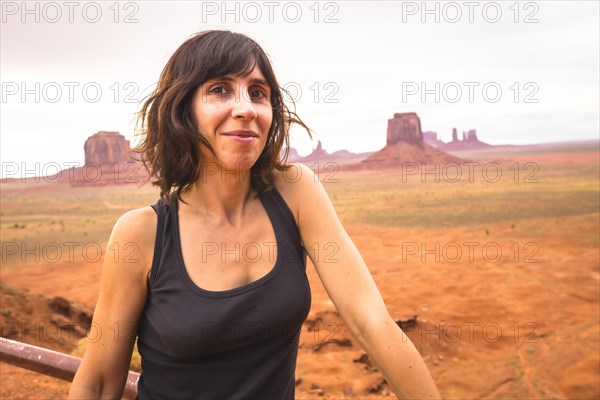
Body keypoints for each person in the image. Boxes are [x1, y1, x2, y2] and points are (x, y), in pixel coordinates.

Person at [68, 30, 441, 400]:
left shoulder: (295, 192)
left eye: (258, 93)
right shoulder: (141, 233)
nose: (246, 108)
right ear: (183, 110)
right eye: (220, 90)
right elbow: (100, 381)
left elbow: (370, 321)